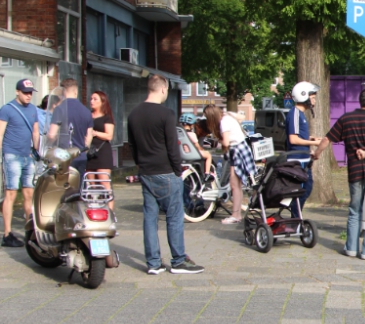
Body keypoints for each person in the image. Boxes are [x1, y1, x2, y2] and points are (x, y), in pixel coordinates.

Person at [127, 74, 204, 274]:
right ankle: (178, 260)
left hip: (146, 171)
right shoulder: (167, 114)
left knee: (150, 218)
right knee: (174, 216)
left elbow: (132, 145)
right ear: (162, 89)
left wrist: (140, 165)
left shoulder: (133, 114)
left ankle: (153, 263)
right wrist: (178, 170)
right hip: (166, 171)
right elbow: (173, 146)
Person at [313, 87, 365, 259]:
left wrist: (316, 154)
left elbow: (326, 139)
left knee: (354, 211)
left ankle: (351, 249)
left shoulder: (346, 119)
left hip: (354, 173)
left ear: (360, 101)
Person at [0, 79, 39, 247]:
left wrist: (37, 150)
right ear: (17, 92)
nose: (28, 95)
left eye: (30, 92)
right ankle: (7, 233)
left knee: (29, 194)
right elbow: (0, 133)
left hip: (27, 156)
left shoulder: (33, 110)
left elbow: (36, 132)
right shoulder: (7, 109)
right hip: (12, 156)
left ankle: (30, 232)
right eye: (25, 92)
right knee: (10, 193)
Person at [204, 104, 254, 225]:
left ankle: (236, 215)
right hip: (241, 149)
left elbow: (226, 142)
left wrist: (217, 140)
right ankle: (236, 214)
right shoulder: (227, 116)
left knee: (235, 185)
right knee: (237, 185)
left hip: (237, 150)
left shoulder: (223, 122)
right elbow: (241, 117)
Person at [286, 81, 323, 215]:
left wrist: (312, 138)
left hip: (303, 158)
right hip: (297, 160)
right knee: (302, 190)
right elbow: (293, 139)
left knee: (306, 188)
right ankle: (295, 217)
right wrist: (313, 143)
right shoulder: (295, 114)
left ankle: (296, 217)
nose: (314, 100)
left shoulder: (300, 115)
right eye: (312, 97)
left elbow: (300, 135)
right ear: (303, 96)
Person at [48, 78, 93, 174]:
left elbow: (51, 135)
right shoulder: (86, 111)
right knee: (78, 187)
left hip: (63, 157)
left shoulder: (59, 109)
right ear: (76, 91)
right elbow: (89, 136)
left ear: (63, 92)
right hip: (80, 156)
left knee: (61, 187)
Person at [86, 91, 116, 210]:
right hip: (90, 152)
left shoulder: (106, 117)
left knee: (104, 183)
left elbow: (109, 135)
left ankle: (110, 212)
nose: (92, 101)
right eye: (91, 99)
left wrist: (94, 133)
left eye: (95, 99)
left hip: (102, 152)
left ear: (102, 102)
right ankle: (95, 209)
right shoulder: (88, 116)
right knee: (92, 184)